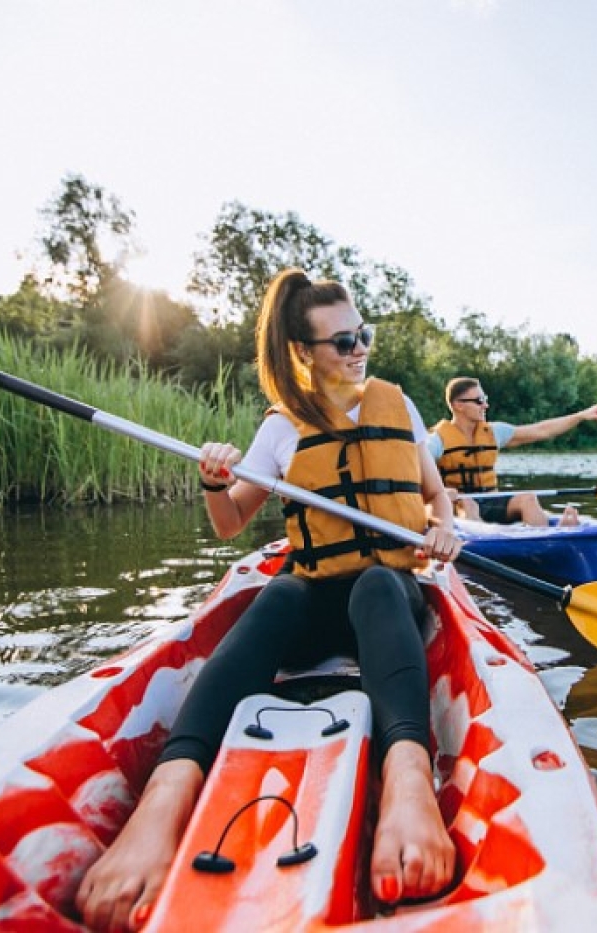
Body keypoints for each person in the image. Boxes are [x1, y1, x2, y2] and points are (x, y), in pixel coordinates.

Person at [75, 270, 461, 932]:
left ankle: (406, 777)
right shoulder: (283, 427)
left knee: (374, 582)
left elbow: (435, 494)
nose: (359, 350)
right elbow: (230, 522)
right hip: (316, 601)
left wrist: (444, 526)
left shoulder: (398, 405)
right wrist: (211, 479)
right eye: (343, 342)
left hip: (388, 596)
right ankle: (166, 795)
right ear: (304, 351)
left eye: (363, 334)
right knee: (280, 589)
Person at [427, 377, 597, 526]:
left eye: (485, 400)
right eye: (479, 401)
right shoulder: (437, 440)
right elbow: (415, 469)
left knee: (528, 499)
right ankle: (488, 547)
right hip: (457, 504)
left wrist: (580, 416)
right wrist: (440, 492)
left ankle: (546, 541)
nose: (485, 405)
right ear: (458, 405)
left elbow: (542, 430)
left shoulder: (494, 432)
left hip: (491, 501)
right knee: (468, 505)